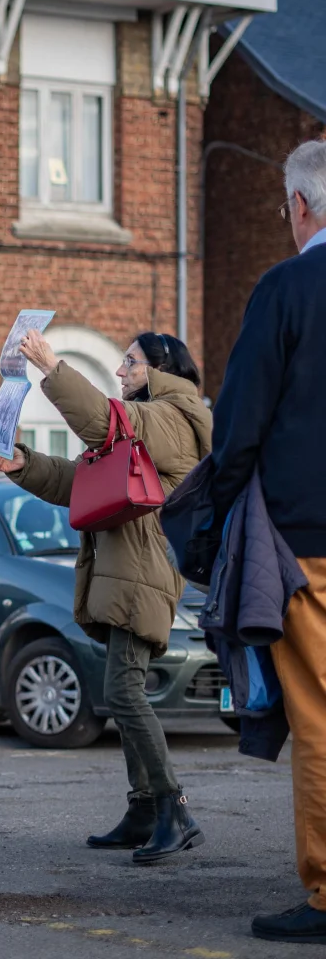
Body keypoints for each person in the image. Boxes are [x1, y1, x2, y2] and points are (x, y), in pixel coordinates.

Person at [0, 328, 211, 863]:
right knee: (122, 693)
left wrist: (50, 365)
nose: (120, 371)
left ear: (158, 368)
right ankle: (142, 809)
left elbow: (105, 420)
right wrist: (25, 464)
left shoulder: (171, 419)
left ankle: (173, 807)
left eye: (129, 363)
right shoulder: (139, 430)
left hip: (144, 572)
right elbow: (82, 482)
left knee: (127, 693)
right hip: (122, 570)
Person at [208, 139, 326, 945]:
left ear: (299, 207)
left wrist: (216, 513)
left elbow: (239, 420)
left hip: (308, 535)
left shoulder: (288, 287)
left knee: (319, 718)